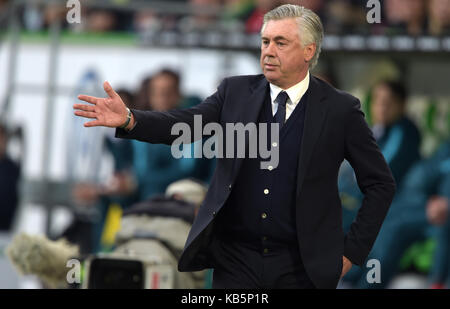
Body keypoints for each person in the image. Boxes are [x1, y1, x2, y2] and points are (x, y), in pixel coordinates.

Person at [74, 4, 396, 289]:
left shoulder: (341, 110)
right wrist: (130, 119)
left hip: (303, 268)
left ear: (308, 51)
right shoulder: (235, 92)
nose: (268, 51)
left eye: (280, 43)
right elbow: (184, 125)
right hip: (235, 262)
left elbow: (380, 184)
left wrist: (352, 251)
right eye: (265, 41)